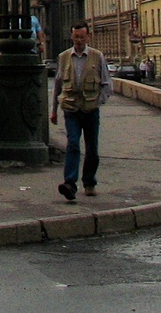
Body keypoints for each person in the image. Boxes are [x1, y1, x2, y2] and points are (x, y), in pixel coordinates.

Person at [51, 21, 112, 201]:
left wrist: (97, 102)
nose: (79, 40)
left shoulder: (97, 56)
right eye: (76, 36)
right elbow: (57, 85)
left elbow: (107, 85)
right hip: (71, 109)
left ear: (88, 37)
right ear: (72, 37)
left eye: (82, 37)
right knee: (73, 144)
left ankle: (89, 182)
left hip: (91, 110)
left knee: (92, 148)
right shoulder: (63, 57)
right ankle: (69, 183)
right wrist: (53, 111)